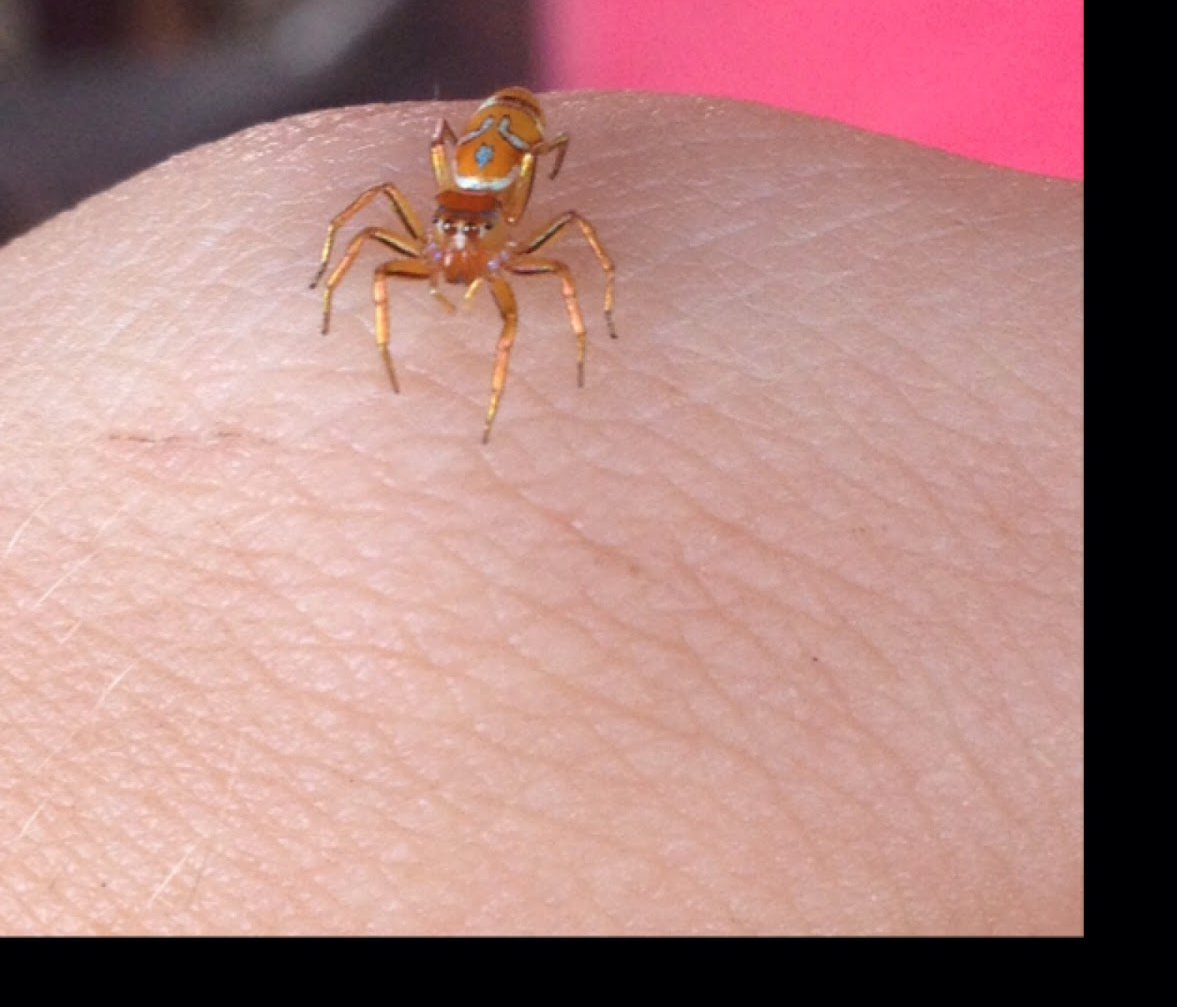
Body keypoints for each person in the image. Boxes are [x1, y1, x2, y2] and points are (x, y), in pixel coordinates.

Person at [0, 92, 1081, 934]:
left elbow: (575, 252)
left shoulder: (527, 231)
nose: (459, 271)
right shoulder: (422, 228)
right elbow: (367, 218)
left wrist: (583, 317)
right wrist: (349, 310)